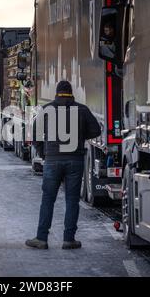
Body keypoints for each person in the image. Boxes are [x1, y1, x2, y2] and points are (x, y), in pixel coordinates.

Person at [25, 81, 101, 250]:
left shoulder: (46, 110)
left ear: (57, 93)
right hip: (75, 160)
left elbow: (34, 135)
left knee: (48, 199)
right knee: (72, 200)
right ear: (71, 93)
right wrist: (80, 136)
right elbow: (97, 130)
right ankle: (69, 239)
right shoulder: (82, 109)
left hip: (52, 160)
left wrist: (44, 153)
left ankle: (41, 238)